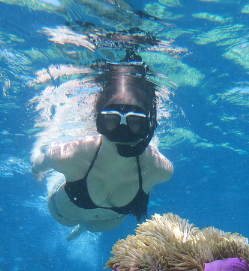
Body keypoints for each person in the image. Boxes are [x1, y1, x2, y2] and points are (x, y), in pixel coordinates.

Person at [31, 60, 174, 240]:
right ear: (98, 121)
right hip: (64, 215)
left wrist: (36, 170)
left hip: (104, 223)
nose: (123, 132)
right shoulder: (72, 155)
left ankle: (83, 228)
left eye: (135, 121)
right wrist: (36, 171)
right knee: (85, 222)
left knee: (91, 227)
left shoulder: (159, 169)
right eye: (111, 120)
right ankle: (82, 226)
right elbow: (40, 163)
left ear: (148, 125)